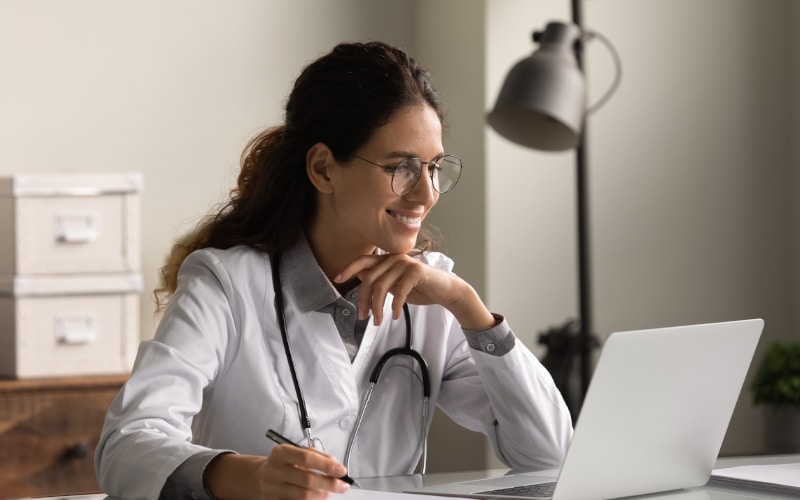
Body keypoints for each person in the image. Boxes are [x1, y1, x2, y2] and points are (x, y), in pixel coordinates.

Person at [95, 40, 573, 500]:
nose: (426, 194)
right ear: (323, 168)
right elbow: (127, 443)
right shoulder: (227, 283)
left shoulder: (434, 297)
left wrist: (467, 307)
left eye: (433, 167)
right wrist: (249, 478)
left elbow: (550, 455)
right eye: (401, 167)